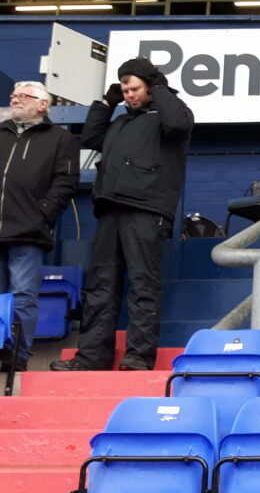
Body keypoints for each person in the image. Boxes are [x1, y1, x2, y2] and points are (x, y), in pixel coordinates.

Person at [51, 57, 194, 371]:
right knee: (100, 286)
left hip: (147, 209)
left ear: (152, 86)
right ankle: (91, 358)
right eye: (125, 89)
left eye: (136, 88)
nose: (129, 94)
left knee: (144, 285)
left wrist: (160, 88)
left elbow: (178, 123)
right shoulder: (120, 121)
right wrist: (105, 103)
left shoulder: (170, 115)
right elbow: (90, 138)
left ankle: (138, 356)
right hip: (111, 208)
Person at [0, 82, 79, 371]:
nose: (15, 100)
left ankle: (16, 356)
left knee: (22, 295)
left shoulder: (60, 139)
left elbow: (65, 182)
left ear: (43, 105)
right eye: (13, 96)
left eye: (23, 96)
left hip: (28, 231)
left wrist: (42, 214)